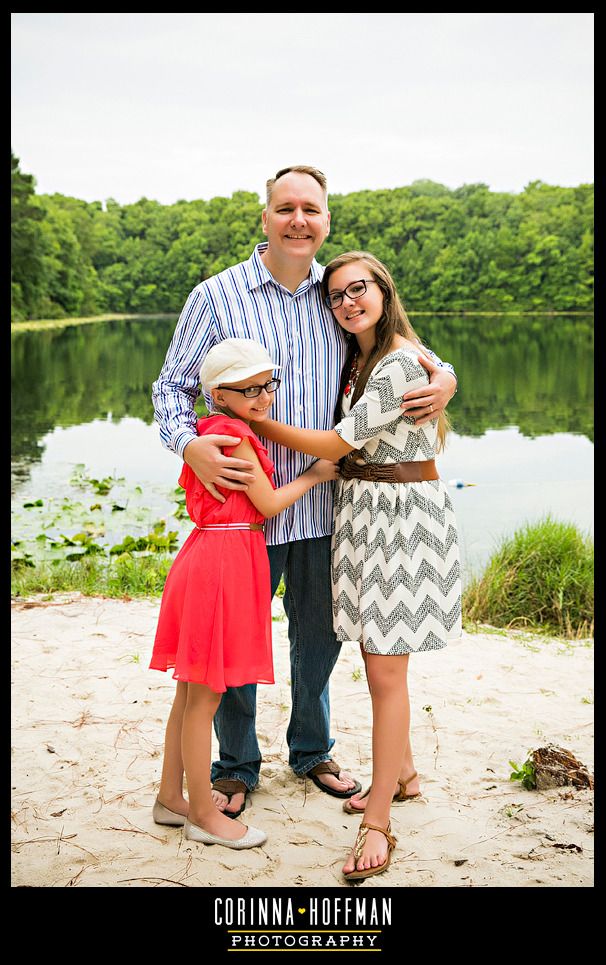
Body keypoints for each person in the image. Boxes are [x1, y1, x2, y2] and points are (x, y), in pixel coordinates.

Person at [152, 165, 458, 817]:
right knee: (233, 650)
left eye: (311, 209)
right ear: (264, 217)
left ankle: (312, 749)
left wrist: (449, 376)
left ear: (325, 220)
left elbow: (410, 351)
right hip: (245, 514)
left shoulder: (338, 294)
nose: (298, 219)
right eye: (285, 207)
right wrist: (189, 444)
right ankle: (234, 764)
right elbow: (168, 389)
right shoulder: (217, 295)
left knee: (317, 643)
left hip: (327, 508)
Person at [253, 251, 462, 880]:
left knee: (383, 673)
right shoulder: (364, 358)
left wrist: (256, 418)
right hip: (367, 515)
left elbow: (335, 444)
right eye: (337, 294)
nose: (348, 302)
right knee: (380, 657)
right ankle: (403, 776)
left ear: (383, 289)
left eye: (359, 289)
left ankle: (378, 826)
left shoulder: (399, 362)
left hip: (400, 523)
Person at [149, 338, 338, 849]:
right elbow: (271, 503)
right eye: (247, 389)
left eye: (266, 385)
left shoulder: (208, 432)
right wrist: (316, 474)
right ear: (217, 393)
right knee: (204, 695)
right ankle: (204, 814)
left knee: (190, 690)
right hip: (224, 564)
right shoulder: (235, 438)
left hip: (206, 555)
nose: (262, 397)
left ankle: (171, 797)